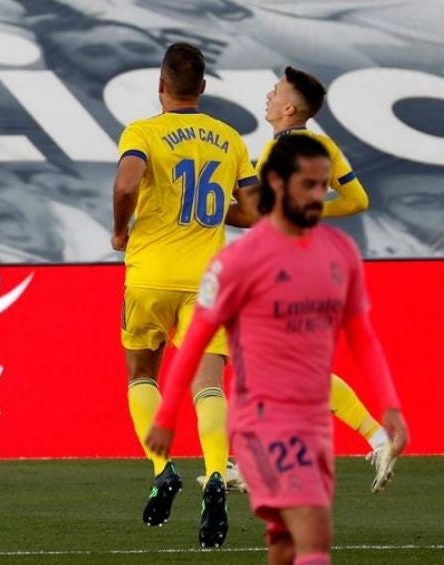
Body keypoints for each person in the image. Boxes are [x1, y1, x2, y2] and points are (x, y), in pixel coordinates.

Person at [146, 134, 409, 565]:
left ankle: (356, 443)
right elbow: (194, 342)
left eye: (322, 187)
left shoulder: (331, 236)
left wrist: (390, 409)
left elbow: (362, 336)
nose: (271, 96)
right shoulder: (237, 255)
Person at [111, 41, 257, 545]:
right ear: (203, 87)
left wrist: (119, 227)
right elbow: (255, 210)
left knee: (142, 372)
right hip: (207, 279)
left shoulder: (143, 131)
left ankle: (162, 468)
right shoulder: (228, 138)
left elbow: (127, 185)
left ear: (160, 85)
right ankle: (216, 474)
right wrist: (216, 214)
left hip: (151, 271)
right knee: (208, 384)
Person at [259, 66, 396, 492]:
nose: (268, 94)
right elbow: (357, 199)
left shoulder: (277, 152)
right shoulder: (322, 143)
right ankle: (376, 438)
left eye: (276, 90)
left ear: (288, 107)